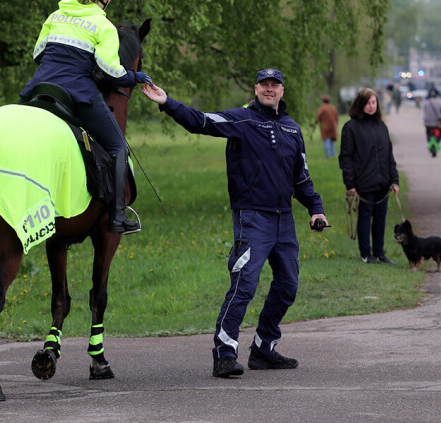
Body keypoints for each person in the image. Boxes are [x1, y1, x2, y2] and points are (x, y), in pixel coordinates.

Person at [141, 68, 329, 378]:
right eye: (264, 84)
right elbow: (201, 121)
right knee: (244, 284)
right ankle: (224, 353)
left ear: (283, 90)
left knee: (288, 286)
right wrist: (167, 102)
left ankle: (263, 349)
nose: (270, 89)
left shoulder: (293, 129)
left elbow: (302, 177)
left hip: (284, 223)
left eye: (275, 85)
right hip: (252, 217)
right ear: (256, 89)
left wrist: (316, 209)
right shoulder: (242, 121)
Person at [19, 0, 152, 234]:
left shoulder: (56, 15)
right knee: (118, 148)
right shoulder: (103, 25)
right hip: (77, 94)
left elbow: (38, 54)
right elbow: (111, 71)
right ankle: (117, 217)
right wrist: (136, 77)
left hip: (38, 89)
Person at [338, 88, 399, 264]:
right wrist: (349, 184)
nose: (371, 106)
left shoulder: (381, 126)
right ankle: (366, 254)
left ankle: (379, 253)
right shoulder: (351, 128)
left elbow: (389, 155)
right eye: (367, 103)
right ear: (360, 104)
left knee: (380, 218)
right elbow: (346, 158)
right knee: (365, 218)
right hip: (363, 182)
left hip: (383, 182)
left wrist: (394, 180)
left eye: (373, 102)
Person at [423, 88, 441, 157]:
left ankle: (429, 141)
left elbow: (425, 112)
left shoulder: (426, 103)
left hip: (427, 123)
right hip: (436, 124)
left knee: (428, 132)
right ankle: (436, 142)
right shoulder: (439, 103)